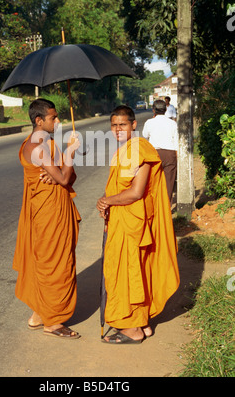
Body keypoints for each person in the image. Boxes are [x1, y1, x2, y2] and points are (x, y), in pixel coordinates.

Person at [96, 105, 179, 344]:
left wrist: (106, 200)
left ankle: (132, 329)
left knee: (128, 272)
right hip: (124, 219)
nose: (118, 129)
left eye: (122, 124)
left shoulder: (141, 149)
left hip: (133, 223)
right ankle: (142, 323)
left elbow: (135, 192)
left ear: (134, 125)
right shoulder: (123, 151)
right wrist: (107, 205)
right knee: (135, 272)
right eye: (114, 125)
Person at [13, 98, 81, 339]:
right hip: (48, 212)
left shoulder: (45, 143)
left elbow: (63, 174)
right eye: (53, 117)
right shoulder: (37, 147)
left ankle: (39, 314)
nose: (58, 121)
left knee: (45, 260)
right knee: (55, 262)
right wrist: (71, 152)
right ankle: (52, 322)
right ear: (39, 120)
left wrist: (60, 170)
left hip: (51, 206)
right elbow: (64, 178)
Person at [142, 99, 178, 202]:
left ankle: (154, 204)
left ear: (153, 110)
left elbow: (145, 135)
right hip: (170, 154)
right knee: (169, 182)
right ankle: (166, 208)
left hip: (154, 154)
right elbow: (176, 142)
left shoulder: (149, 122)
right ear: (166, 109)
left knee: (153, 180)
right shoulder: (172, 123)